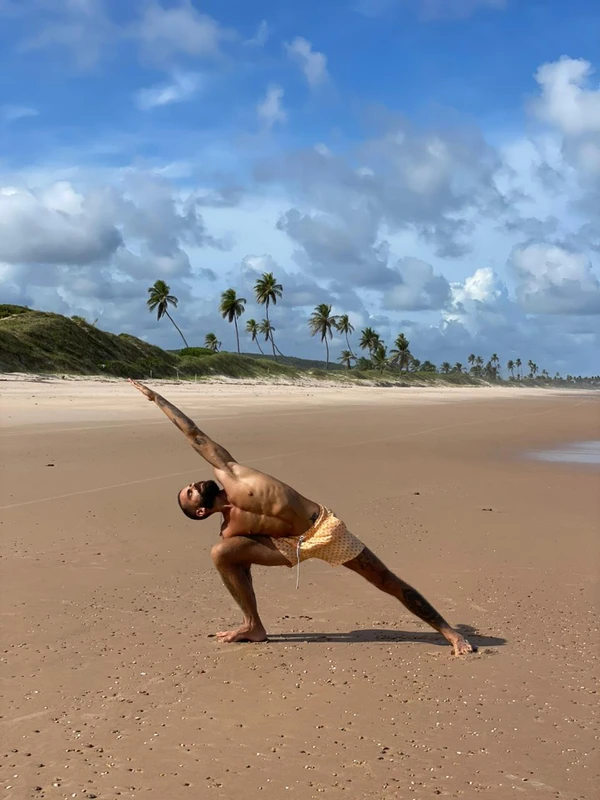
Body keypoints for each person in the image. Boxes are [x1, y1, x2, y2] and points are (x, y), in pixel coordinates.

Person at [129, 379, 476, 656]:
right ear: (201, 512)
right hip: (289, 546)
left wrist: (155, 398)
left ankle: (448, 632)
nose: (193, 486)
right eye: (190, 494)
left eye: (189, 486)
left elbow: (193, 434)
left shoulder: (229, 472)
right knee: (222, 553)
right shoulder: (230, 530)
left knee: (383, 578)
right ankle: (253, 625)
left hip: (323, 528)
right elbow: (241, 567)